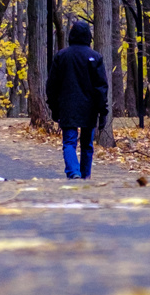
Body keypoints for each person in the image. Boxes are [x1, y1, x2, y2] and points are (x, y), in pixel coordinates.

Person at [46, 19, 109, 180]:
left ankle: (74, 172)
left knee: (69, 142)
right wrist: (103, 111)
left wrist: (54, 107)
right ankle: (85, 175)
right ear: (89, 36)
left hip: (67, 106)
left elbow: (52, 85)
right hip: (90, 107)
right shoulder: (95, 57)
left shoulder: (62, 56)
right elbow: (101, 87)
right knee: (87, 144)